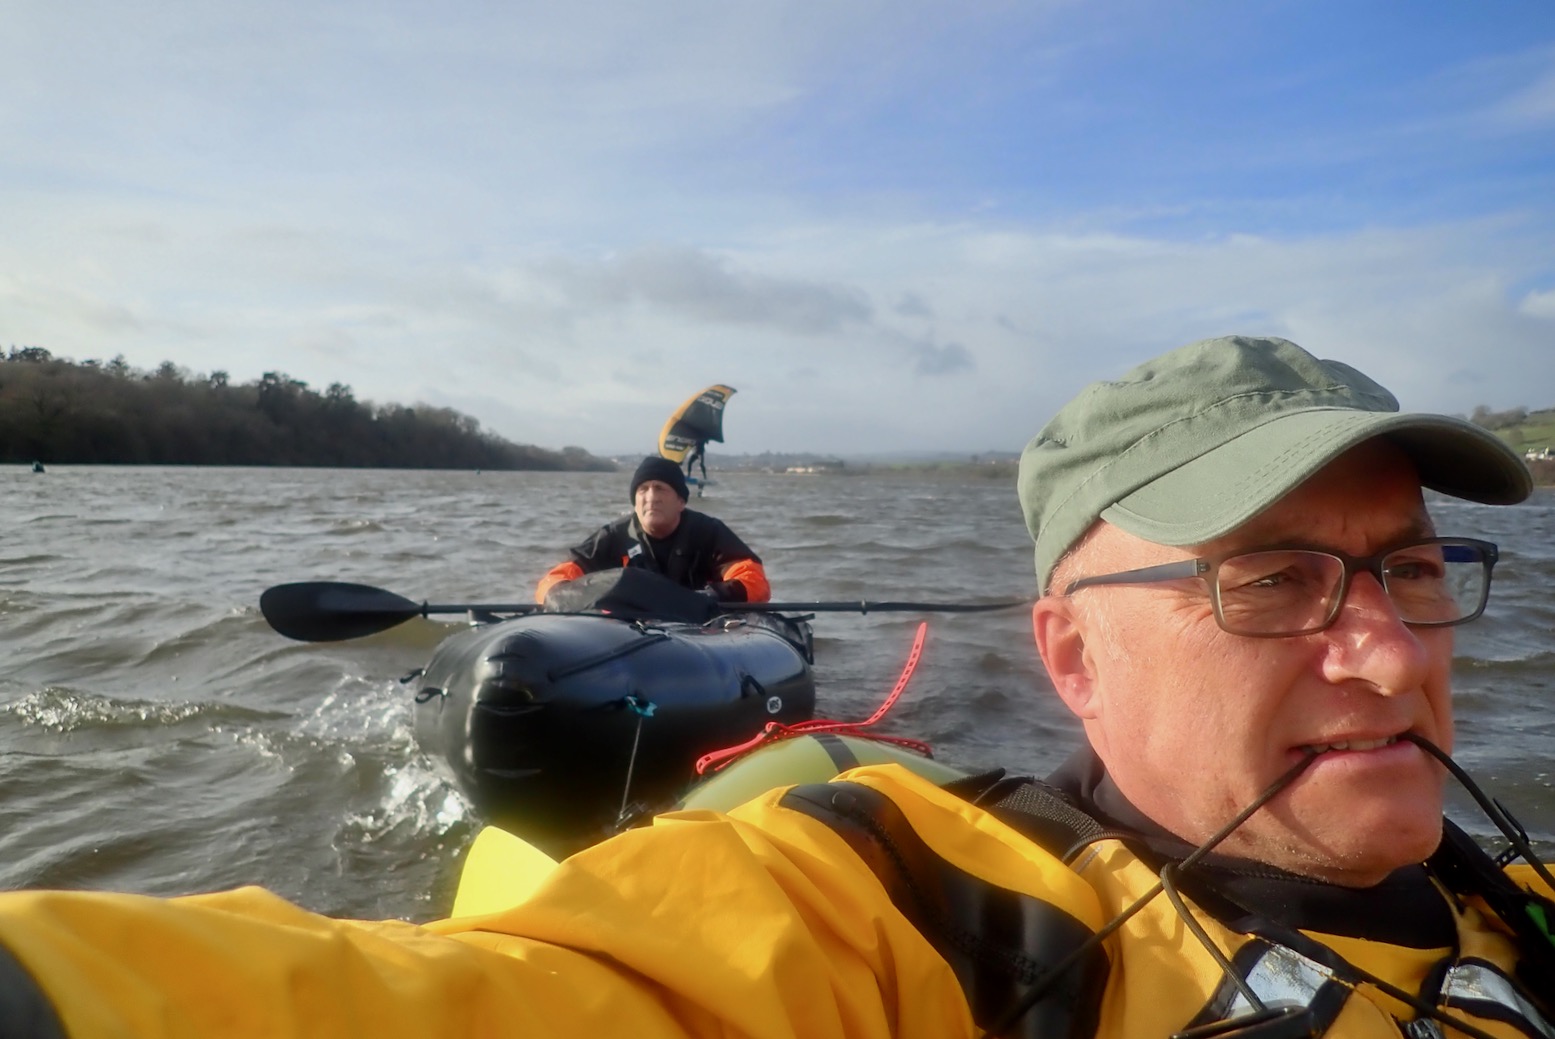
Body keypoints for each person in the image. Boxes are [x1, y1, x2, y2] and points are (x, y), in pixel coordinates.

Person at [1, 335, 1551, 1038]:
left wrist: (738, 604)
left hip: (690, 648)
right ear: (1068, 651)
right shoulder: (915, 910)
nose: (1392, 646)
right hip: (626, 646)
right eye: (1269, 578)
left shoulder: (1523, 897)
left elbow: (746, 594)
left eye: (1411, 569)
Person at [534, 454, 770, 604]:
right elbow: (556, 577)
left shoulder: (708, 532)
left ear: (681, 502)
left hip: (697, 632)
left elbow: (754, 581)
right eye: (643, 489)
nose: (651, 498)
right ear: (634, 501)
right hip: (629, 634)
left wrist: (712, 596)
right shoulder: (613, 536)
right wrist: (570, 598)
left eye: (660, 488)